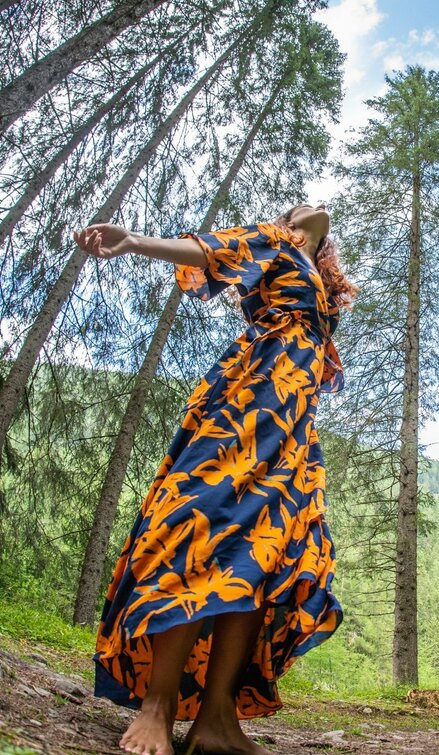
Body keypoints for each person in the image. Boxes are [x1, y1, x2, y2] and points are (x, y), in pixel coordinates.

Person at [74, 203, 356, 755]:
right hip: (249, 404)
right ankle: (156, 706)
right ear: (288, 219)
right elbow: (207, 251)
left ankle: (216, 718)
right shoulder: (273, 241)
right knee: (199, 523)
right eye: (298, 205)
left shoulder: (316, 277)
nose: (312, 206)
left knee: (266, 553)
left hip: (293, 428)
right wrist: (133, 240)